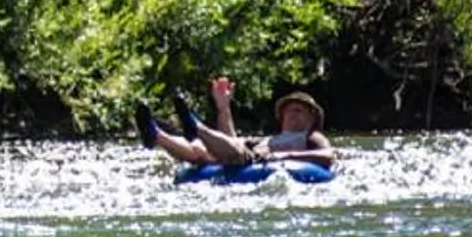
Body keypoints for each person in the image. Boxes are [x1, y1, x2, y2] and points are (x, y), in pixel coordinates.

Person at [136, 79, 336, 170]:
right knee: (199, 152)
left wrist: (287, 155)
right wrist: (224, 108)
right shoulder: (268, 139)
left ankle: (195, 127)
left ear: (312, 119)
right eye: (290, 110)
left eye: (300, 110)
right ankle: (157, 135)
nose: (294, 113)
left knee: (237, 154)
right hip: (241, 157)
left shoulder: (311, 136)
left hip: (256, 162)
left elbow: (327, 156)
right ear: (281, 117)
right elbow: (231, 142)